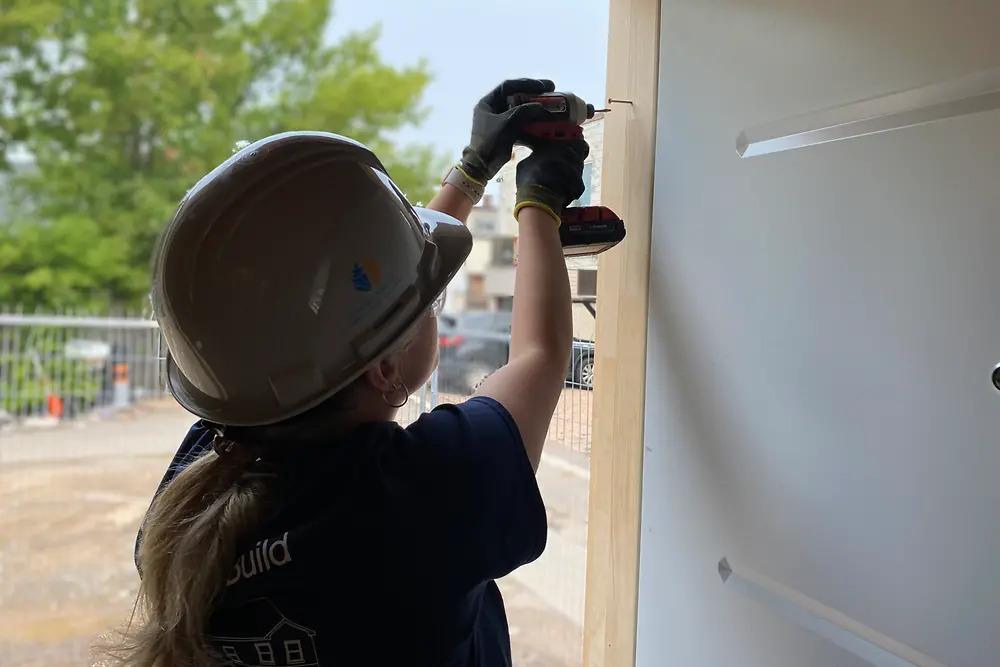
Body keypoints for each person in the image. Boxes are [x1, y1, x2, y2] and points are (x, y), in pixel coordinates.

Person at [120, 78, 588, 666]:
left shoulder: (193, 501)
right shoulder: (422, 496)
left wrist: (472, 172)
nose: (430, 302)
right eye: (426, 302)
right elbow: (539, 358)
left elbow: (361, 306)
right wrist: (541, 206)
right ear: (383, 367)